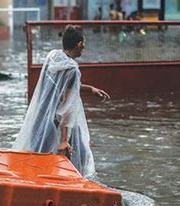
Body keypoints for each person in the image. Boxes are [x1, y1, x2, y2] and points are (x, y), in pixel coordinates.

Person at [12, 25, 110, 177]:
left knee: (38, 150)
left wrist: (89, 88)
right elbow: (68, 106)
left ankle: (31, 179)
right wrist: (64, 139)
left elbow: (62, 86)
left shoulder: (53, 57)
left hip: (43, 114)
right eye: (83, 44)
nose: (83, 48)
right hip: (58, 121)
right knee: (80, 155)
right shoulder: (72, 69)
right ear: (79, 44)